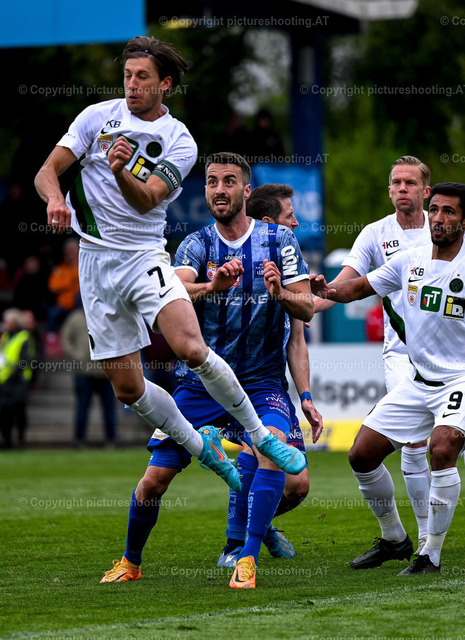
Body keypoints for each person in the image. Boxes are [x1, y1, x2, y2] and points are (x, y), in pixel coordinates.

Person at [34, 36, 305, 521]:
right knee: (127, 389)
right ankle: (204, 448)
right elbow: (46, 172)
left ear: (166, 84)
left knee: (190, 348)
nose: (131, 85)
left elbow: (147, 199)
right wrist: (55, 198)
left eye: (142, 77)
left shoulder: (180, 141)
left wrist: (120, 170)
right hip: (94, 262)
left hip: (144, 255)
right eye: (127, 76)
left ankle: (259, 435)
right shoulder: (95, 118)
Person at [99, 153, 313, 588]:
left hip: (261, 383)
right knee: (154, 480)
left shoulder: (280, 241)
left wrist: (279, 293)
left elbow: (306, 306)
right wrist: (211, 287)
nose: (219, 189)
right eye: (212, 181)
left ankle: (245, 556)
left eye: (229, 181)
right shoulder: (196, 244)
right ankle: (130, 561)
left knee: (275, 459)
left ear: (246, 191)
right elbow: (175, 289)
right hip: (200, 385)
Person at [311, 182, 465, 574]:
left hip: (464, 380)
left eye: (449, 212)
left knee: (442, 448)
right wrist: (327, 289)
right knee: (361, 455)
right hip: (418, 381)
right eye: (434, 210)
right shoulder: (409, 260)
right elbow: (359, 288)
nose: (438, 219)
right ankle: (395, 537)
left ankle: (431, 554)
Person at [216, 183, 323, 568]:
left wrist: (305, 396)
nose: (296, 222)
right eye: (289, 216)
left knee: (297, 485)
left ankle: (257, 523)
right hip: (230, 384)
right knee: (261, 450)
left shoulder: (290, 267)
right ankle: (236, 547)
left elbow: (298, 335)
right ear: (267, 222)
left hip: (270, 385)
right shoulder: (233, 266)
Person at [61, 301, 117, 448]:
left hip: (106, 372)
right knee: (82, 408)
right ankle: (79, 440)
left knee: (109, 410)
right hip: (83, 372)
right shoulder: (75, 318)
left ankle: (111, 440)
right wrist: (76, 355)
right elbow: (66, 338)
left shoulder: (106, 315)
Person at [0, 309, 36, 449]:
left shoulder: (24, 337)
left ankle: (20, 439)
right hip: (5, 380)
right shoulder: (6, 336)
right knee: (5, 412)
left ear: (15, 322)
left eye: (8, 321)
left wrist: (13, 375)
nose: (5, 323)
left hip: (19, 381)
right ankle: (6, 440)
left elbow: (24, 360)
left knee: (19, 411)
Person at [47, 238, 80, 335]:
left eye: (72, 250)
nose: (70, 253)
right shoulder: (60, 268)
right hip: (64, 304)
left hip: (79, 305)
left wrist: (64, 283)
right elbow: (53, 287)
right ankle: (51, 339)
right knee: (53, 314)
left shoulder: (83, 265)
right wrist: (70, 281)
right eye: (68, 250)